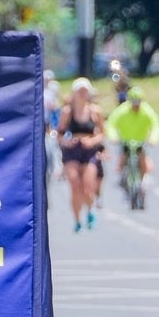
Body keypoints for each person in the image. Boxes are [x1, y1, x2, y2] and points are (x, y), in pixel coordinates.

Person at [56, 77, 104, 232]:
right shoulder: (67, 111)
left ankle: (90, 209)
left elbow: (102, 133)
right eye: (80, 91)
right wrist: (66, 141)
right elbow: (60, 133)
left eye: (85, 91)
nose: (83, 94)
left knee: (87, 185)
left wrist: (92, 141)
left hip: (89, 149)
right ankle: (77, 219)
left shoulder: (95, 111)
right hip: (73, 149)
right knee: (74, 183)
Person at [104, 86, 159, 198]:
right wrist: (113, 137)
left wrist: (153, 139)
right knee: (123, 156)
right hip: (125, 141)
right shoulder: (122, 110)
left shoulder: (146, 110)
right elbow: (111, 123)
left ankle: (143, 179)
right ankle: (121, 175)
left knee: (142, 158)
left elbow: (156, 124)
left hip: (140, 141)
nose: (136, 105)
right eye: (134, 102)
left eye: (138, 102)